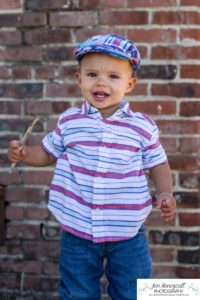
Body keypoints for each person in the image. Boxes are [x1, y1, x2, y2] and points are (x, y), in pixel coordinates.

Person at [8, 34, 176, 300]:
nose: (101, 82)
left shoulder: (141, 126)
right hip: (78, 229)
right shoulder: (70, 121)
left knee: (133, 292)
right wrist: (25, 154)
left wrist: (165, 192)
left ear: (130, 84)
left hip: (127, 231)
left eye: (113, 76)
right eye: (92, 74)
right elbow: (47, 153)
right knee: (77, 292)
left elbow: (158, 163)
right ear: (79, 79)